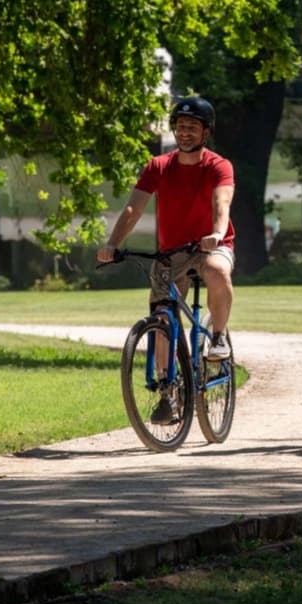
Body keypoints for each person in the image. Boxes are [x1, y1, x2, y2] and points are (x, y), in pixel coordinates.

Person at [97, 96, 236, 422]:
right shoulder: (158, 166)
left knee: (217, 269)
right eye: (180, 126)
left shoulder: (218, 165)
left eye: (192, 127)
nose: (185, 132)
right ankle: (167, 392)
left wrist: (217, 233)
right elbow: (133, 209)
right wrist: (113, 243)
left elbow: (222, 202)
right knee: (162, 317)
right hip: (171, 252)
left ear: (205, 132)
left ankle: (218, 337)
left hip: (210, 245)